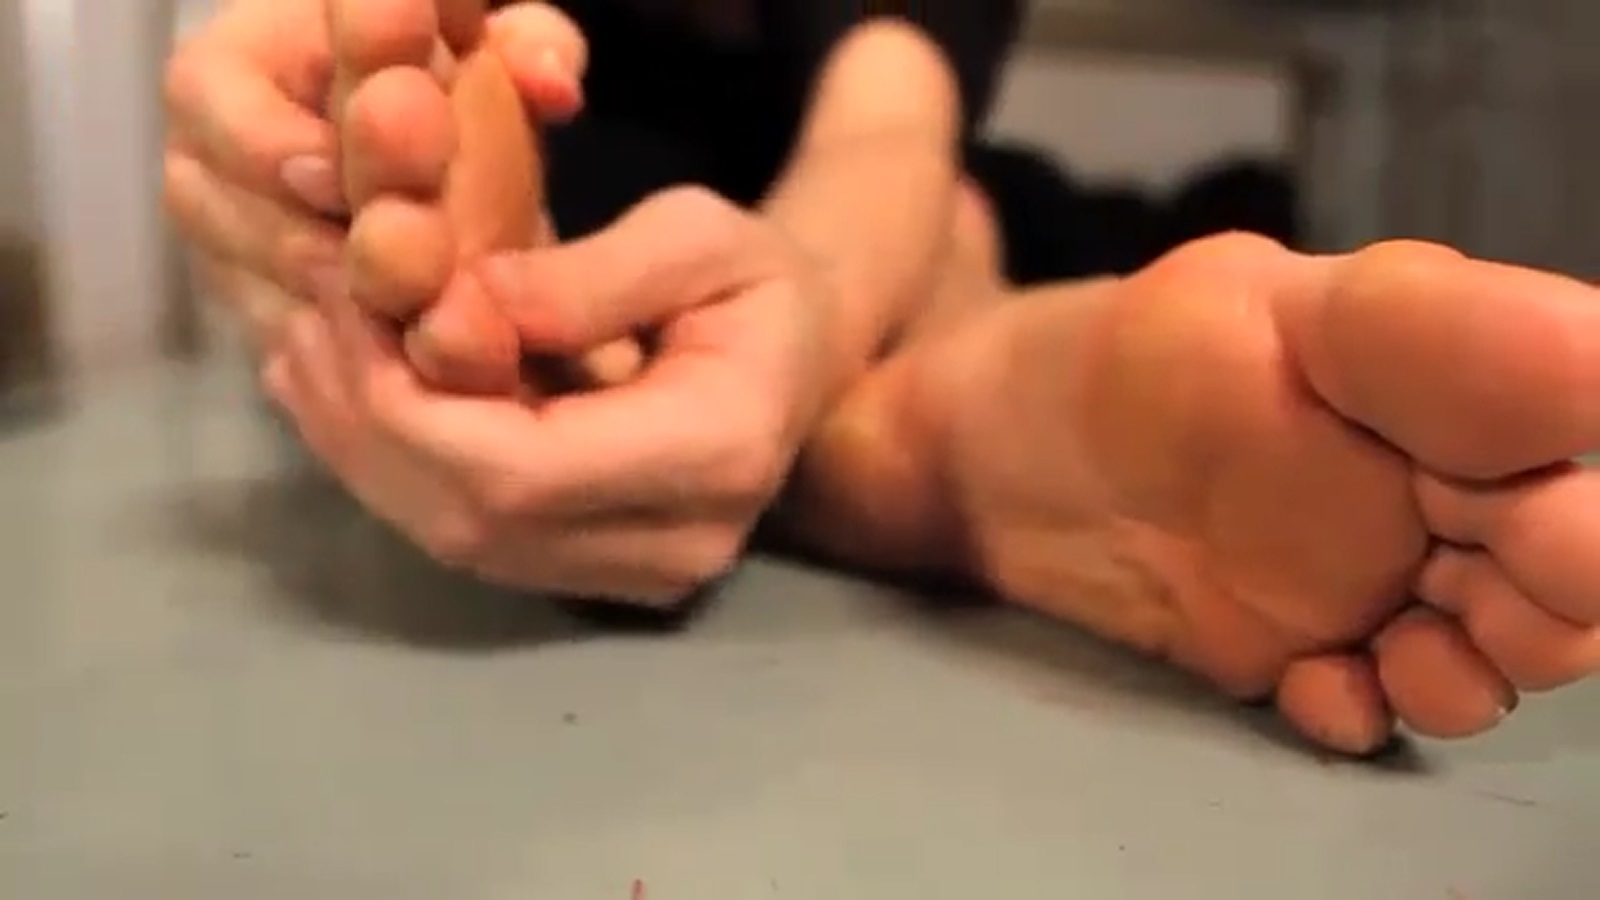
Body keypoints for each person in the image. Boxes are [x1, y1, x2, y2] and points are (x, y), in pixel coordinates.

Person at [163, 0, 1600, 757]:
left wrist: (798, 333)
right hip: (624, 237)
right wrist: (294, 175)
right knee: (918, 245)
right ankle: (943, 416)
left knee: (939, 222)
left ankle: (886, 404)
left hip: (835, 236)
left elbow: (881, 142)